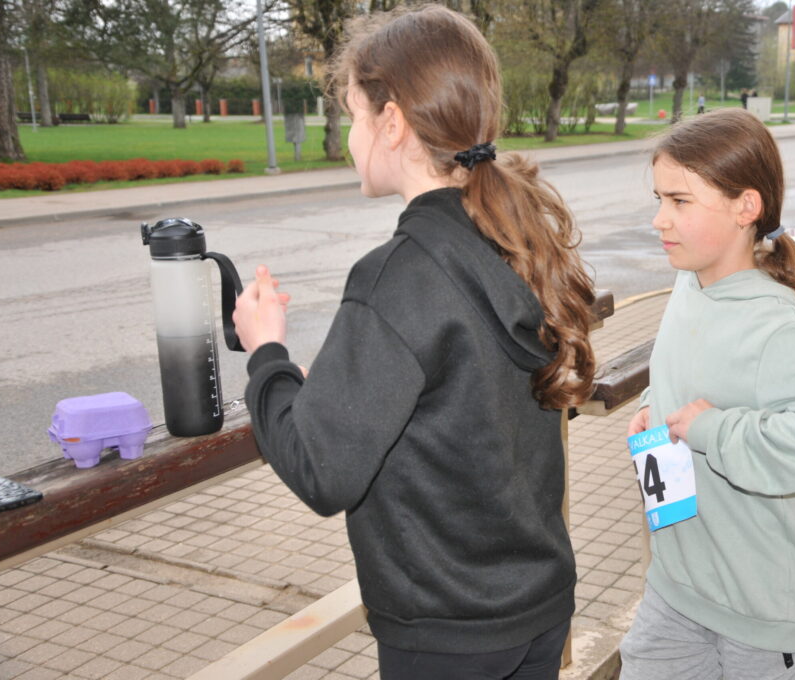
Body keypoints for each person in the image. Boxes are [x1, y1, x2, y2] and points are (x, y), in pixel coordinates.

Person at [232, 5, 597, 679]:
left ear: (392, 122)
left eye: (353, 114)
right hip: (538, 609)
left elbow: (320, 470)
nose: (350, 137)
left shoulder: (399, 275)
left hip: (447, 633)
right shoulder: (513, 239)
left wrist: (266, 356)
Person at [620, 108, 795, 680]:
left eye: (680, 201)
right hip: (677, 587)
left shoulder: (773, 325)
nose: (661, 220)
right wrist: (653, 407)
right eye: (659, 199)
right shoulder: (690, 282)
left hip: (765, 618)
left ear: (746, 207)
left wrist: (716, 431)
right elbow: (694, 374)